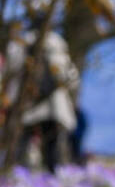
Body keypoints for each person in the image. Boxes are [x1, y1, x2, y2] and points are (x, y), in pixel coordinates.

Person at [17, 31, 79, 172]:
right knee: (50, 141)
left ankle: (23, 171)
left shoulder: (25, 45)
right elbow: (70, 77)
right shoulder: (57, 47)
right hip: (51, 104)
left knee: (28, 139)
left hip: (32, 103)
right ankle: (47, 171)